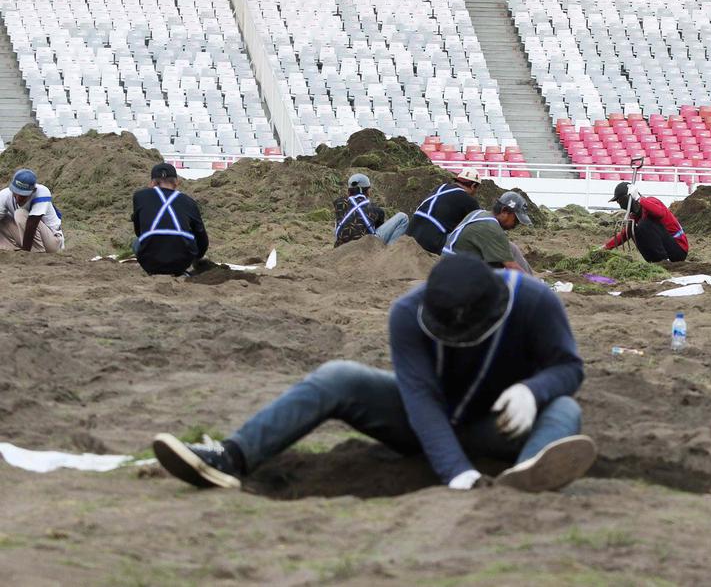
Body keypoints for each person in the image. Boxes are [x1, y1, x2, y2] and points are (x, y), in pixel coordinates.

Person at [151, 254, 596, 493]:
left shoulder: (537, 302)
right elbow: (419, 396)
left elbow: (569, 367)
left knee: (563, 407)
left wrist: (531, 391)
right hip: (423, 424)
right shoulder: (407, 312)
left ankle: (525, 479)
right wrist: (456, 473)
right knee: (337, 374)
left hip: (498, 426)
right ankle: (229, 458)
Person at [132, 163, 209, 276]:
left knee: (136, 242)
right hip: (181, 262)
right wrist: (197, 256)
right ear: (176, 183)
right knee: (190, 235)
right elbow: (202, 239)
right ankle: (182, 270)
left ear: (152, 183)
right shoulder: (189, 201)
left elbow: (139, 232)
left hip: (150, 261)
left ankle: (152, 271)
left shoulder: (139, 196)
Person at [443, 191, 533, 272]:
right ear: (504, 211)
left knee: (511, 247)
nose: (516, 224)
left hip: (448, 262)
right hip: (455, 271)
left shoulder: (479, 213)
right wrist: (535, 286)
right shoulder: (492, 228)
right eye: (516, 220)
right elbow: (512, 267)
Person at [603, 181, 689, 263]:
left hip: (678, 249)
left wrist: (638, 198)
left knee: (644, 224)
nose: (620, 205)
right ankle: (654, 261)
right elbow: (625, 234)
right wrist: (606, 247)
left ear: (628, 198)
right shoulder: (634, 215)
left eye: (620, 201)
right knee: (632, 229)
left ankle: (664, 261)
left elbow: (660, 213)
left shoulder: (651, 201)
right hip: (667, 248)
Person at [408, 168, 482, 254]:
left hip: (409, 235)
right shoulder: (469, 200)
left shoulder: (440, 187)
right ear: (473, 186)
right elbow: (480, 226)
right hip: (431, 244)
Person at [333, 173, 409, 247]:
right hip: (365, 247)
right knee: (403, 217)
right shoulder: (376, 209)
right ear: (368, 192)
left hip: (342, 247)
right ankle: (388, 252)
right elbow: (377, 229)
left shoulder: (339, 203)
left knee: (340, 217)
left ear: (348, 192)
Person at [0, 168, 64, 253]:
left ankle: (36, 253)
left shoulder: (42, 192)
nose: (18, 198)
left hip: (52, 241)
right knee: (3, 219)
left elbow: (32, 223)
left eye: (23, 194)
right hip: (27, 239)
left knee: (20, 214)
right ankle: (11, 248)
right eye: (16, 192)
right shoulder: (4, 195)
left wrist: (25, 253)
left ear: (33, 191)